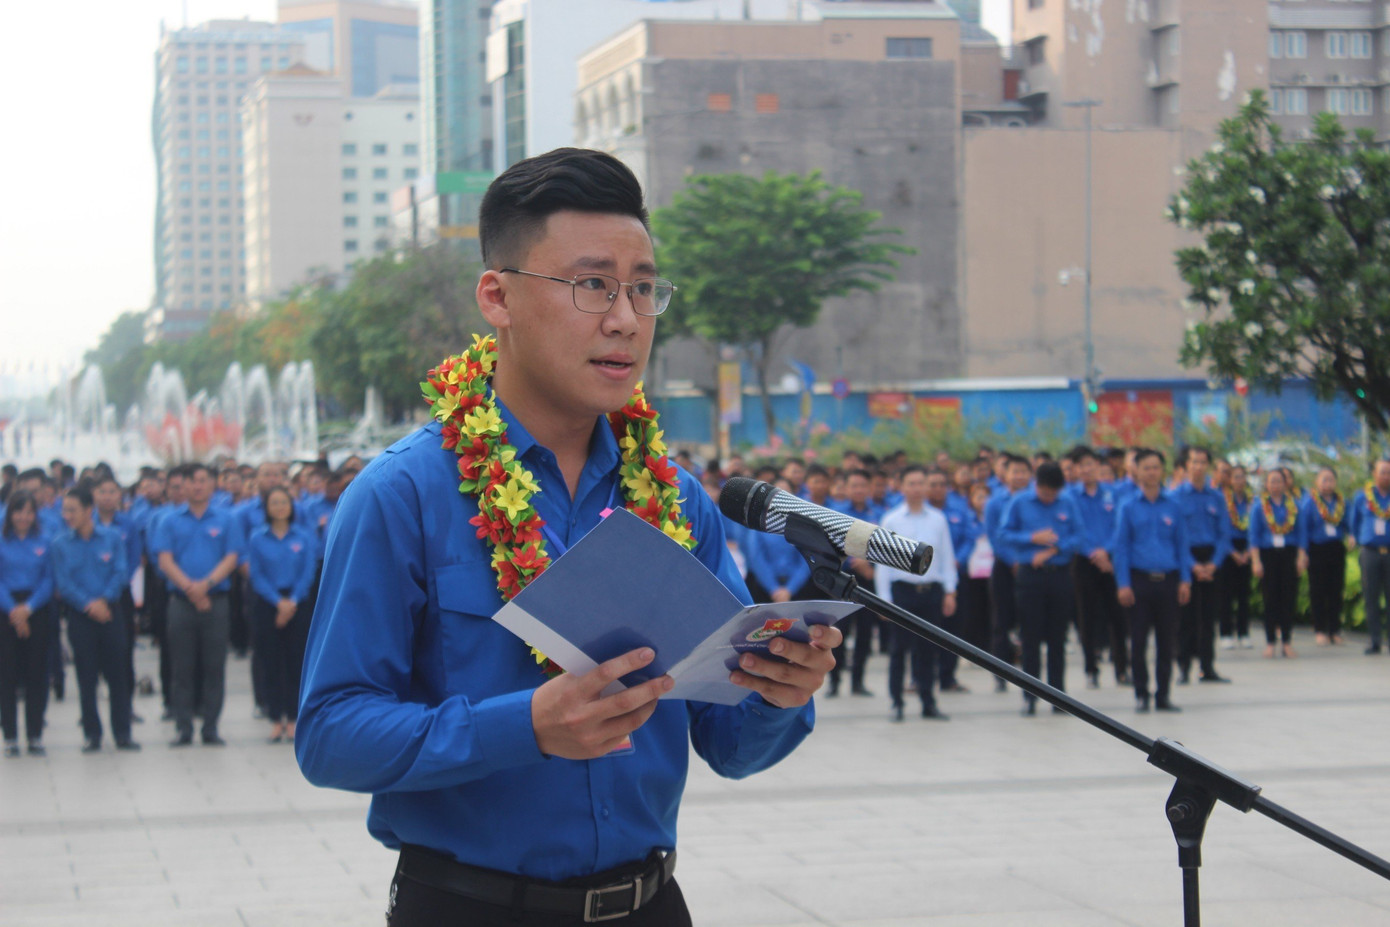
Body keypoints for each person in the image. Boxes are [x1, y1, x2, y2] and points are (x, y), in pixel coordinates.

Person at [295, 148, 840, 926]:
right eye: (591, 284)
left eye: (643, 287)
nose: (625, 317)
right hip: (472, 908)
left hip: (650, 904)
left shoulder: (677, 499)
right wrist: (524, 725)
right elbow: (329, 733)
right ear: (498, 296)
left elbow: (731, 743)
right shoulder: (402, 496)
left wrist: (781, 693)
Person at [153, 462, 244, 747]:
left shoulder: (227, 519)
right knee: (182, 667)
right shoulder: (170, 520)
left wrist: (205, 585)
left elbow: (232, 557)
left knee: (214, 667)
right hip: (181, 602)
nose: (197, 486)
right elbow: (164, 559)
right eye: (191, 481)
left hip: (215, 601)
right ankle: (183, 728)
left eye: (203, 480)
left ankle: (210, 727)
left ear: (212, 484)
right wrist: (190, 588)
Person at [50, 486, 139, 752]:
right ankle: (92, 733)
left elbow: (121, 572)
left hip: (111, 612)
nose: (67, 515)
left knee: (118, 675)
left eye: (72, 510)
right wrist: (89, 605)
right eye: (64, 510)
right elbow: (64, 584)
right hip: (80, 616)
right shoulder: (60, 544)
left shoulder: (111, 538)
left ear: (89, 511)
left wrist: (104, 600)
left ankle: (122, 732)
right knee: (86, 677)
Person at [1112, 449, 1191, 713]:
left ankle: (1163, 694)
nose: (1151, 472)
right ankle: (1141, 694)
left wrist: (1185, 579)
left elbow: (1182, 544)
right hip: (1138, 581)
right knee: (1138, 640)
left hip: (1168, 581)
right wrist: (1123, 583)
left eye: (1156, 467)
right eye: (1146, 467)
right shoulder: (1128, 506)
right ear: (1137, 471)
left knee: (1167, 641)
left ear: (1163, 470)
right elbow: (1121, 547)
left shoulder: (1174, 505)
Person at [1000, 462, 1083, 716]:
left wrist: (1054, 549)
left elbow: (1079, 537)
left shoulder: (1067, 502)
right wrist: (1031, 539)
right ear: (1037, 485)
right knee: (1031, 637)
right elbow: (1003, 533)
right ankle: (1030, 695)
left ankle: (1059, 697)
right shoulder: (1020, 502)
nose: (1050, 498)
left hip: (1059, 575)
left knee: (1058, 638)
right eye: (1046, 492)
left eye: (1053, 494)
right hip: (1030, 577)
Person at [876, 465, 955, 722]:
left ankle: (927, 702)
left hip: (931, 591)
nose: (917, 488)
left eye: (921, 483)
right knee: (899, 649)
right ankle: (897, 702)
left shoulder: (938, 519)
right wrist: (884, 600)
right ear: (901, 486)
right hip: (902, 592)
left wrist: (950, 591)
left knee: (928, 649)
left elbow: (946, 557)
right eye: (911, 483)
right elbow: (882, 563)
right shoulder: (891, 519)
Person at [246, 487, 316, 743]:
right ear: (266, 508)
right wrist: (278, 603)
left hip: (298, 603)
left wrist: (291, 602)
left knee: (297, 662)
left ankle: (295, 719)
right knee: (271, 662)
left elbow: (308, 573)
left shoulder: (304, 537)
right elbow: (257, 575)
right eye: (274, 502)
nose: (279, 507)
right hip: (268, 604)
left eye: (284, 502)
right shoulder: (257, 538)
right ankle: (276, 718)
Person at [1065, 446, 1127, 689]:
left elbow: (1119, 527)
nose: (1087, 470)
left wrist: (1106, 551)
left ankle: (1123, 668)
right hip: (1084, 560)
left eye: (1091, 465)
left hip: (1110, 560)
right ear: (1077, 470)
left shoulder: (1112, 494)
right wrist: (1092, 552)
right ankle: (1091, 668)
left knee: (1118, 616)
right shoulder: (1070, 497)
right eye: (1082, 466)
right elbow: (1072, 530)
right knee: (1086, 616)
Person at [0, 491, 54, 756]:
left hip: (37, 608)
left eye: (29, 512)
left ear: (35, 515)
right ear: (10, 514)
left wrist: (28, 609)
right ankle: (10, 735)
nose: (23, 517)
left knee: (36, 674)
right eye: (18, 512)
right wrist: (14, 611)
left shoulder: (44, 540)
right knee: (6, 675)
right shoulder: (2, 539)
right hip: (6, 608)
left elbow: (48, 580)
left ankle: (35, 734)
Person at [1172, 446, 1232, 685]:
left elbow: (1224, 534)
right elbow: (1175, 536)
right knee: (1185, 617)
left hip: (1211, 559)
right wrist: (1192, 566)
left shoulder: (1216, 497)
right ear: (1186, 466)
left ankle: (1207, 666)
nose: (1198, 467)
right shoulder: (1176, 497)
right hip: (1187, 559)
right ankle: (1183, 666)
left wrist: (1213, 565)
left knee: (1208, 617)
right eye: (1194, 462)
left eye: (1202, 462)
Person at [826, 468, 880, 697]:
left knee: (865, 634)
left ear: (869, 488)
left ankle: (858, 681)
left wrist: (871, 567)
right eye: (854, 485)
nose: (858, 490)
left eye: (862, 486)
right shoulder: (836, 514)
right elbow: (826, 548)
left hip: (868, 581)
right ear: (846, 488)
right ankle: (835, 681)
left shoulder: (878, 515)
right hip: (842, 582)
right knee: (839, 633)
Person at [1249, 468, 1307, 659]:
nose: (1275, 485)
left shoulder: (1294, 505)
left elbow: (1301, 534)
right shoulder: (1259, 507)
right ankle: (1270, 642)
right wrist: (1256, 561)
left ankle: (1287, 642)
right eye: (1272, 481)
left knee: (1288, 598)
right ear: (1266, 484)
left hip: (1288, 554)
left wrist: (1301, 557)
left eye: (1279, 481)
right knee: (1270, 598)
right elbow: (1254, 536)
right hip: (1268, 555)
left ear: (1285, 484)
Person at [985, 455, 1031, 691]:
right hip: (1004, 567)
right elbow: (994, 537)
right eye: (1015, 471)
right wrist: (1013, 560)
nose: (1020, 476)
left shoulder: (1035, 501)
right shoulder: (994, 503)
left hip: (1031, 566)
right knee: (1002, 621)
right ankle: (1000, 672)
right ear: (1005, 475)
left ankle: (1028, 673)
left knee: (1029, 622)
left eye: (1024, 471)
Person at [925, 467, 973, 693]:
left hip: (954, 576)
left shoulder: (958, 510)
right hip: (926, 578)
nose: (937, 489)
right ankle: (920, 677)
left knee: (953, 628)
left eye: (941, 485)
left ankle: (948, 676)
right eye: (932, 484)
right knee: (924, 629)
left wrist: (957, 559)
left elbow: (968, 538)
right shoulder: (918, 514)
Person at [1302, 467, 1350, 647]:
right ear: (1317, 482)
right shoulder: (1309, 503)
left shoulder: (1341, 502)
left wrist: (1351, 535)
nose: (1327, 484)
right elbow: (1304, 529)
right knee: (1318, 590)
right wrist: (1304, 553)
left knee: (1336, 590)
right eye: (1324, 480)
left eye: (1331, 480)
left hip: (1336, 548)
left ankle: (1335, 630)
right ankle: (1320, 629)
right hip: (1317, 549)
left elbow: (1347, 523)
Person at [1351, 459, 1390, 655]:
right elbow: (1354, 523)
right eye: (1382, 472)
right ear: (1374, 474)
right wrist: (1361, 542)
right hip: (1370, 553)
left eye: (1389, 473)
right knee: (1371, 597)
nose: (1386, 476)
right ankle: (1375, 641)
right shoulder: (1362, 497)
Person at [1218, 465, 1255, 650]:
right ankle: (1225, 633)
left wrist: (1248, 551)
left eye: (1242, 477)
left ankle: (1244, 632)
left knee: (1243, 593)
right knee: (1226, 594)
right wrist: (1232, 552)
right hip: (1228, 549)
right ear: (1229, 480)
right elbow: (1220, 529)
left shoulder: (1251, 501)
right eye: (1236, 477)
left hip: (1245, 548)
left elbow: (1254, 527)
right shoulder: (1223, 500)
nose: (1239, 481)